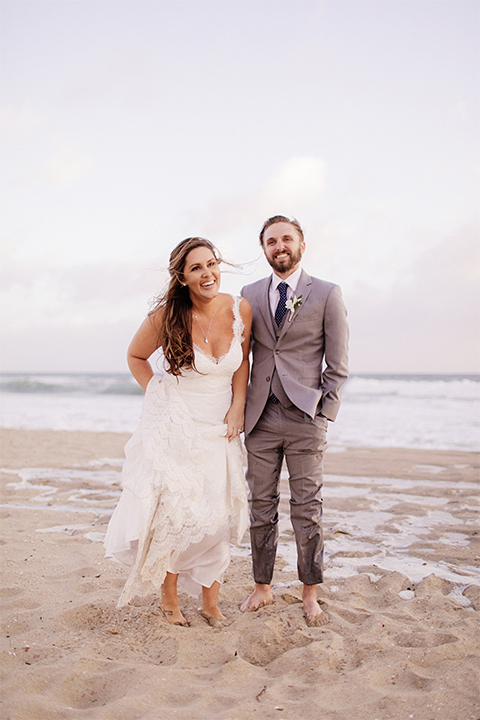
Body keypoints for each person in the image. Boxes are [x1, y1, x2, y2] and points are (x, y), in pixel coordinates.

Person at [104, 237, 251, 627]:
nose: (207, 274)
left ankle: (210, 602)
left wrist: (238, 407)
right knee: (180, 512)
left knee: (219, 515)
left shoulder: (240, 309)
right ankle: (169, 598)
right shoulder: (167, 315)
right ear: (182, 278)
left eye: (211, 264)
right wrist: (160, 397)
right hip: (180, 426)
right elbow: (135, 357)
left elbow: (241, 363)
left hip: (221, 426)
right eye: (196, 268)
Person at [240, 216, 349, 626]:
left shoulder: (326, 293)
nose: (279, 246)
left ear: (301, 244)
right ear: (264, 249)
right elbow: (244, 357)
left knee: (307, 508)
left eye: (287, 238)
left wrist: (325, 413)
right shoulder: (248, 294)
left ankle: (309, 592)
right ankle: (262, 587)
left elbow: (338, 364)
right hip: (261, 418)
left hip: (306, 418)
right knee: (260, 507)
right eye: (271, 241)